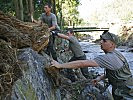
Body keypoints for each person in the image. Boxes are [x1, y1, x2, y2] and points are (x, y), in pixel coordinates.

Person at [52, 31, 133, 100]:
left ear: (112, 44)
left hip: (125, 93)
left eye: (104, 41)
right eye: (101, 40)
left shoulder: (109, 58)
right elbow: (116, 71)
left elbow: (82, 63)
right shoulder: (118, 54)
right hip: (127, 88)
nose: (101, 42)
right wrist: (99, 78)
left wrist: (60, 65)